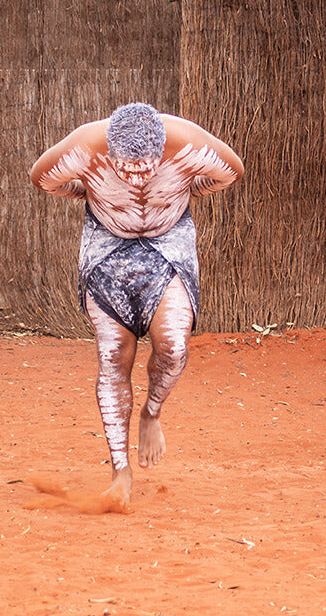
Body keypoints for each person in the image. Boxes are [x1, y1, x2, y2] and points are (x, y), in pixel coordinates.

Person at [30, 103, 244, 508]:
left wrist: (183, 190)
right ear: (109, 151)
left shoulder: (186, 142)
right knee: (113, 354)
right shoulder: (86, 146)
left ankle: (151, 413)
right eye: (124, 170)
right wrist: (91, 191)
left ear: (162, 149)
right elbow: (42, 179)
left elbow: (231, 172)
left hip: (168, 243)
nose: (136, 180)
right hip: (107, 244)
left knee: (175, 346)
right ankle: (119, 469)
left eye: (146, 168)